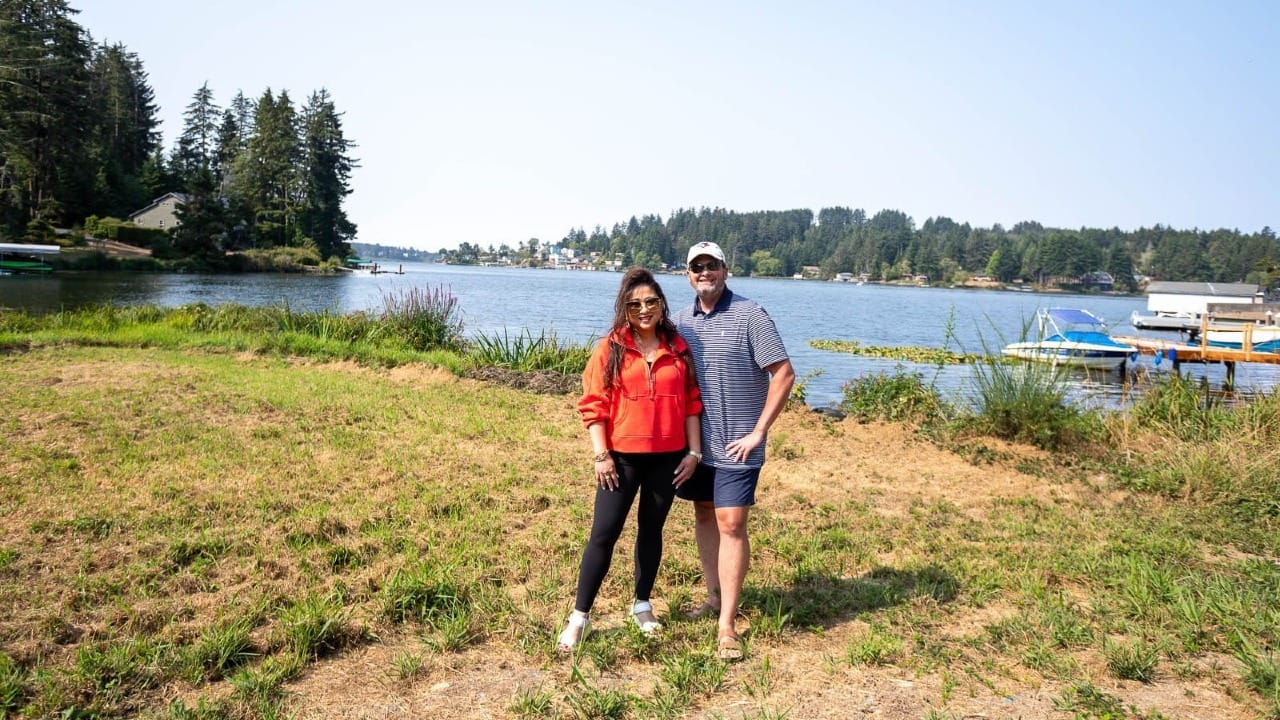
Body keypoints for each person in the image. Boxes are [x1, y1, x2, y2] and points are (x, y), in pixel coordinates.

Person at [558, 267, 704, 652]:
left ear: (662, 304)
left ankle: (641, 604)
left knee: (651, 531)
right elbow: (594, 405)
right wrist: (601, 454)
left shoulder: (678, 347)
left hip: (668, 458)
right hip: (619, 460)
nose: (644, 309)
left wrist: (693, 451)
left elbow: (691, 404)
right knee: (603, 535)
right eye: (635, 303)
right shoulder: (610, 347)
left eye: (651, 302)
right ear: (624, 307)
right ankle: (580, 617)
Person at [673, 241, 795, 661]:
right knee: (704, 513)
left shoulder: (750, 315)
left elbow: (782, 372)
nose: (704, 272)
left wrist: (759, 431)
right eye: (696, 267)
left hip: (739, 446)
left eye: (711, 265)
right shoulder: (679, 321)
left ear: (725, 269)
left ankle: (727, 623)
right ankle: (712, 596)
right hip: (695, 447)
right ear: (687, 275)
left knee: (731, 523)